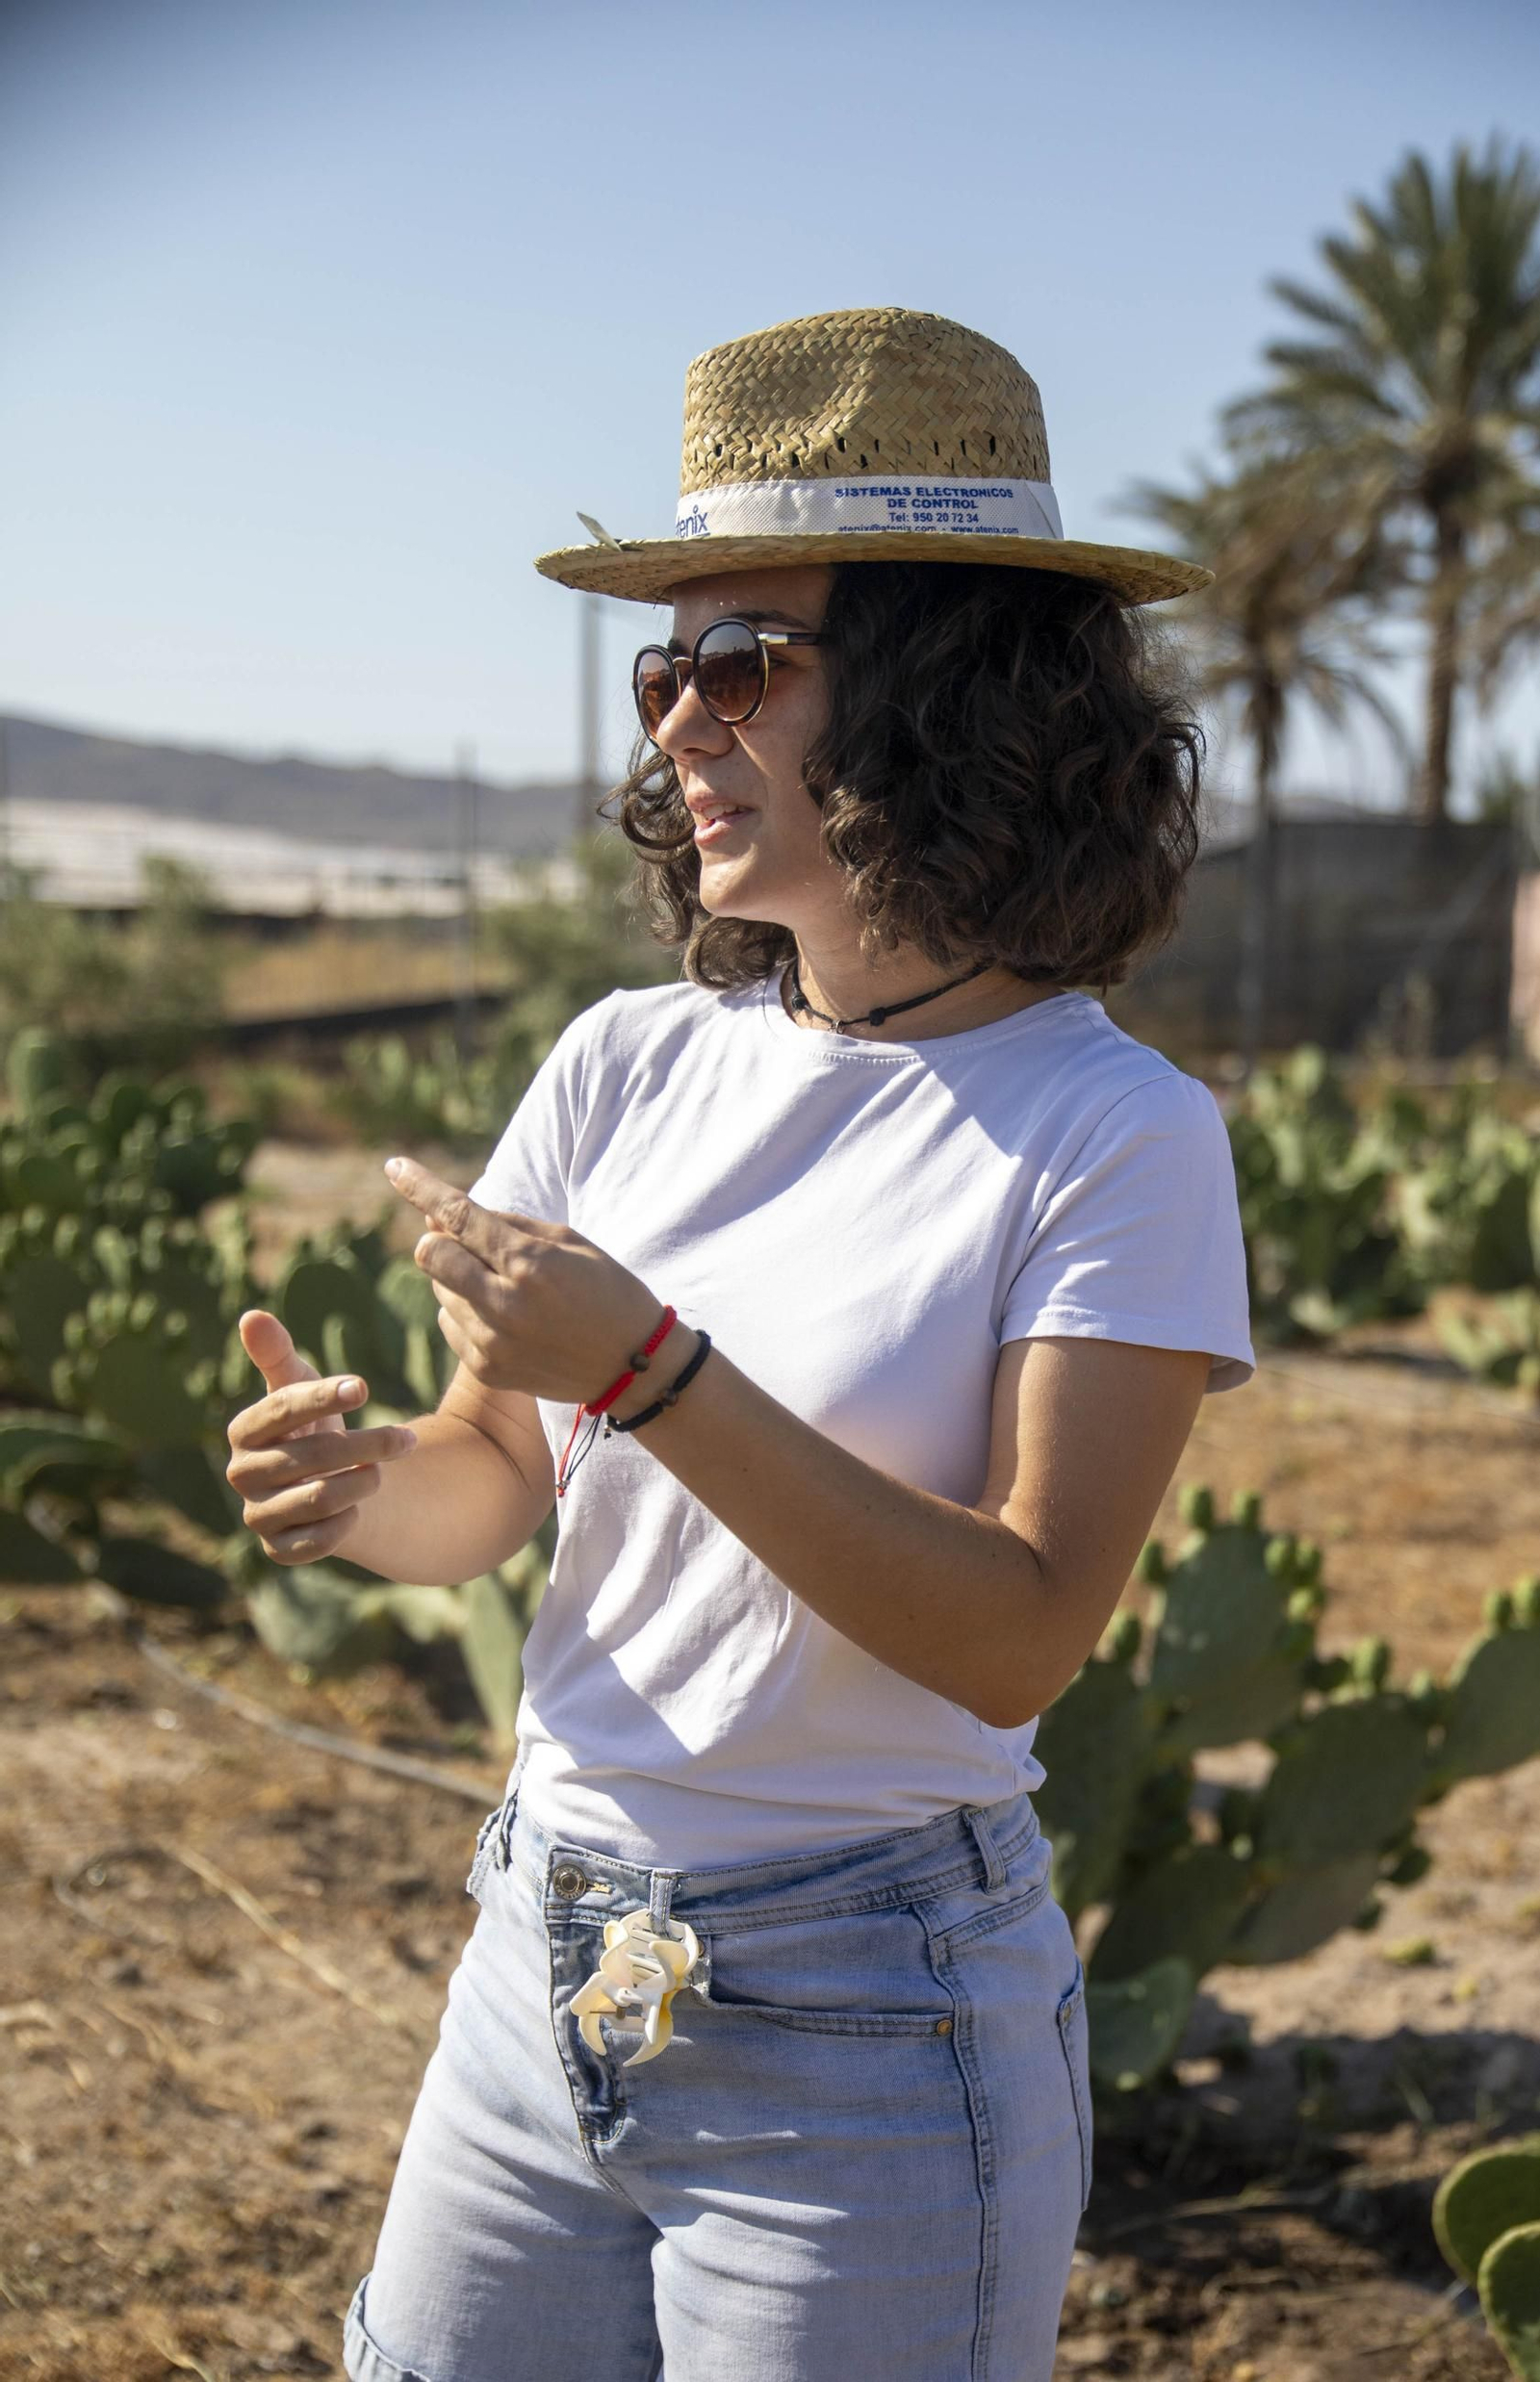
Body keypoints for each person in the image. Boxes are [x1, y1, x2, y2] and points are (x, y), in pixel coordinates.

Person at [226, 307, 1255, 2382]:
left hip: (867, 2018)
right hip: (547, 1958)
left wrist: (652, 1372)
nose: (676, 722)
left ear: (943, 689)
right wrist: (360, 1493)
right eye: (659, 669)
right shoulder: (620, 1063)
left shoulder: (1113, 1129)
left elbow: (1018, 1628)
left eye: (743, 662)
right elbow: (493, 1479)